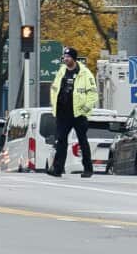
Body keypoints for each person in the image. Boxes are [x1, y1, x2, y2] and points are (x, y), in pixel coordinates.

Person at [48, 47, 98, 178]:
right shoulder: (61, 71)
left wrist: (85, 110)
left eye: (68, 57)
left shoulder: (85, 73)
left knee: (82, 141)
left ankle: (88, 169)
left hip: (78, 113)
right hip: (63, 113)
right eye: (64, 57)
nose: (65, 59)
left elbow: (93, 94)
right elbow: (54, 89)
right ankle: (57, 169)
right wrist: (54, 105)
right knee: (61, 140)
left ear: (74, 58)